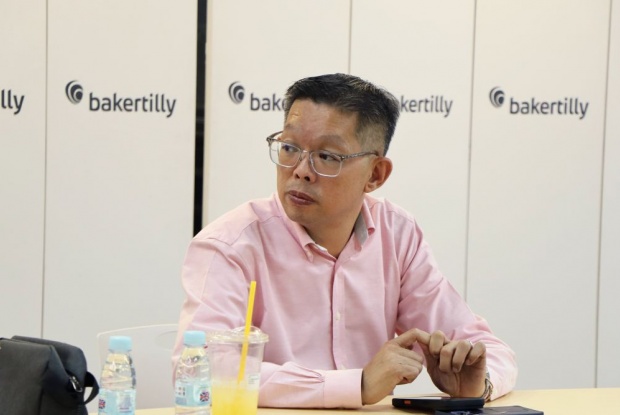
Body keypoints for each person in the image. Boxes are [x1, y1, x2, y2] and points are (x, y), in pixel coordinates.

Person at [173, 73, 517, 408]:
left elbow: (488, 349)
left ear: (375, 174)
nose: (301, 170)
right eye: (289, 148)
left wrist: (477, 386)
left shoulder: (397, 234)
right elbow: (201, 370)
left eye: (327, 156)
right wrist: (358, 385)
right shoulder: (231, 245)